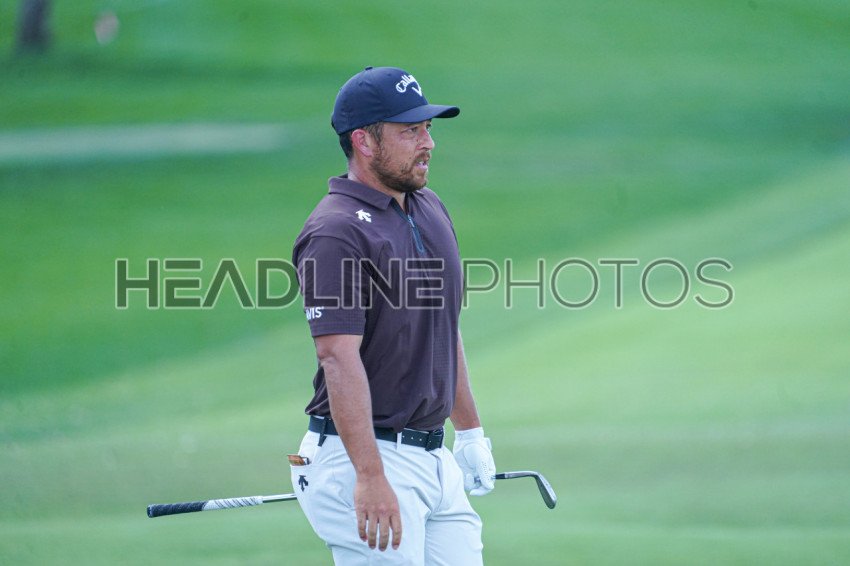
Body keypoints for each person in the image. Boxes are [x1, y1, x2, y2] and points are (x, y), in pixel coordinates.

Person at [290, 66, 496, 565]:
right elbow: (337, 358)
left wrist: (470, 433)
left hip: (432, 457)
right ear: (363, 141)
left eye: (427, 128)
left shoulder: (428, 207)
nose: (428, 143)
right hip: (364, 457)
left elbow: (442, 329)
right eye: (410, 132)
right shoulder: (336, 231)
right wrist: (369, 475)